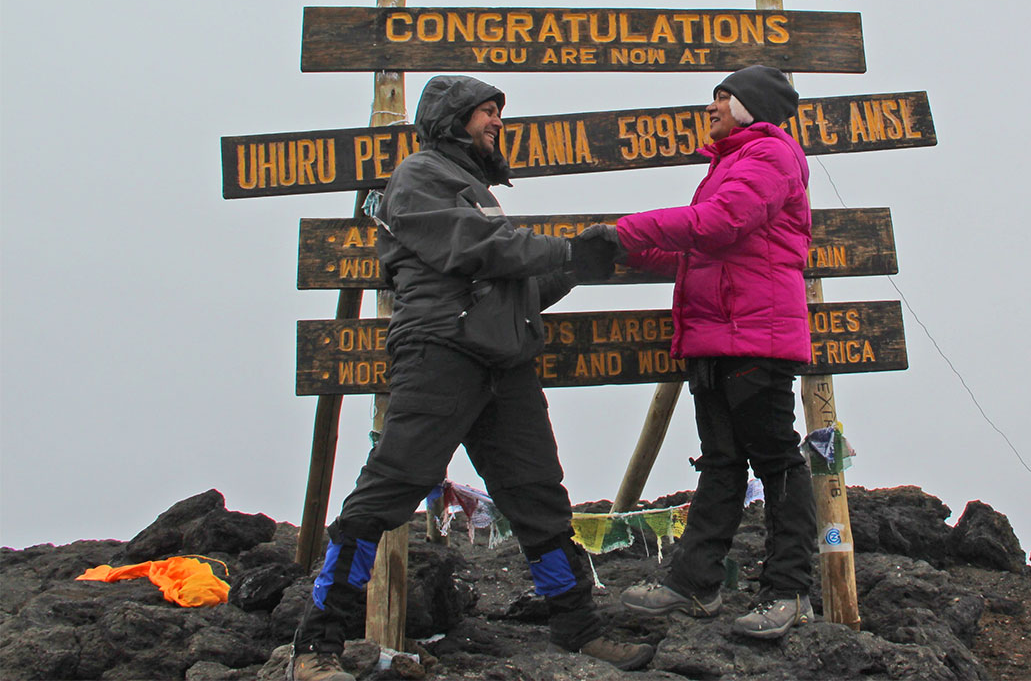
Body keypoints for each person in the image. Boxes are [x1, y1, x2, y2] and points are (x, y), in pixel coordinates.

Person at [288, 75, 653, 681]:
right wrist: (565, 251)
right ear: (452, 120)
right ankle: (315, 648)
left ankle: (579, 629)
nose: (497, 124)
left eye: (497, 114)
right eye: (487, 113)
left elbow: (511, 280)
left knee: (538, 495)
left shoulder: (471, 187)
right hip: (440, 353)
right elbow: (478, 247)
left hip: (500, 361)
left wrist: (587, 260)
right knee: (390, 490)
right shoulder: (419, 176)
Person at [583, 65, 819, 640]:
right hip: (717, 335)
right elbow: (704, 251)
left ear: (748, 106)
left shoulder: (770, 157)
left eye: (720, 97)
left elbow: (716, 225)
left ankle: (789, 590)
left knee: (776, 460)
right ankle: (696, 582)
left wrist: (628, 232)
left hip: (755, 335)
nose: (710, 107)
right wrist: (626, 252)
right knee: (720, 460)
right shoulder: (733, 163)